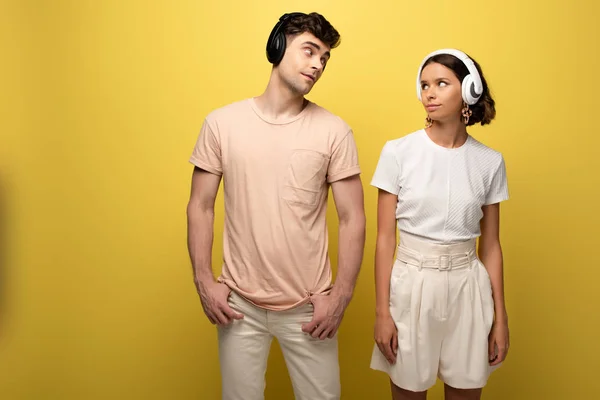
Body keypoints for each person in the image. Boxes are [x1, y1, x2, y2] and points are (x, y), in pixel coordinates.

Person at [186, 12, 366, 400]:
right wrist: (204, 280)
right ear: (278, 45)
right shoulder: (221, 124)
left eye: (325, 58)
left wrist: (341, 297)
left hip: (308, 309)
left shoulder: (334, 130)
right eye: (310, 51)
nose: (318, 64)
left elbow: (352, 218)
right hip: (238, 306)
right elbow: (200, 205)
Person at [369, 49, 510, 400]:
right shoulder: (398, 152)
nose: (429, 93)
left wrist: (501, 317)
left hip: (468, 289)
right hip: (412, 285)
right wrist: (382, 312)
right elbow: (385, 239)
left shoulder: (489, 162)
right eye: (424, 85)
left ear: (469, 91)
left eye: (441, 83)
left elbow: (490, 246)